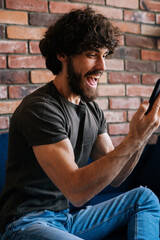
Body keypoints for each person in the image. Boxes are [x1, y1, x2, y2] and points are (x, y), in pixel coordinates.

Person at [0, 7, 160, 240]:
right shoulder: (41, 109)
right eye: (92, 54)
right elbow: (75, 191)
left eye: (104, 55)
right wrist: (134, 139)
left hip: (65, 219)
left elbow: (117, 177)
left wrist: (143, 135)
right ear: (63, 54)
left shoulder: (92, 110)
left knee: (144, 199)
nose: (102, 67)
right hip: (26, 223)